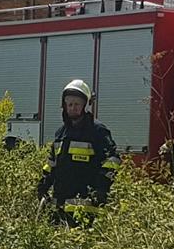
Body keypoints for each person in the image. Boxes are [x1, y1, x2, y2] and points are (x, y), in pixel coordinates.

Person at [36, 79, 121, 225]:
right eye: (69, 104)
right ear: (64, 105)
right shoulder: (61, 133)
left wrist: (102, 186)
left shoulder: (97, 130)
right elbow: (51, 163)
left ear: (84, 105)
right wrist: (44, 184)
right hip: (59, 205)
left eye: (77, 104)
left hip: (85, 206)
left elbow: (113, 159)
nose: (72, 107)